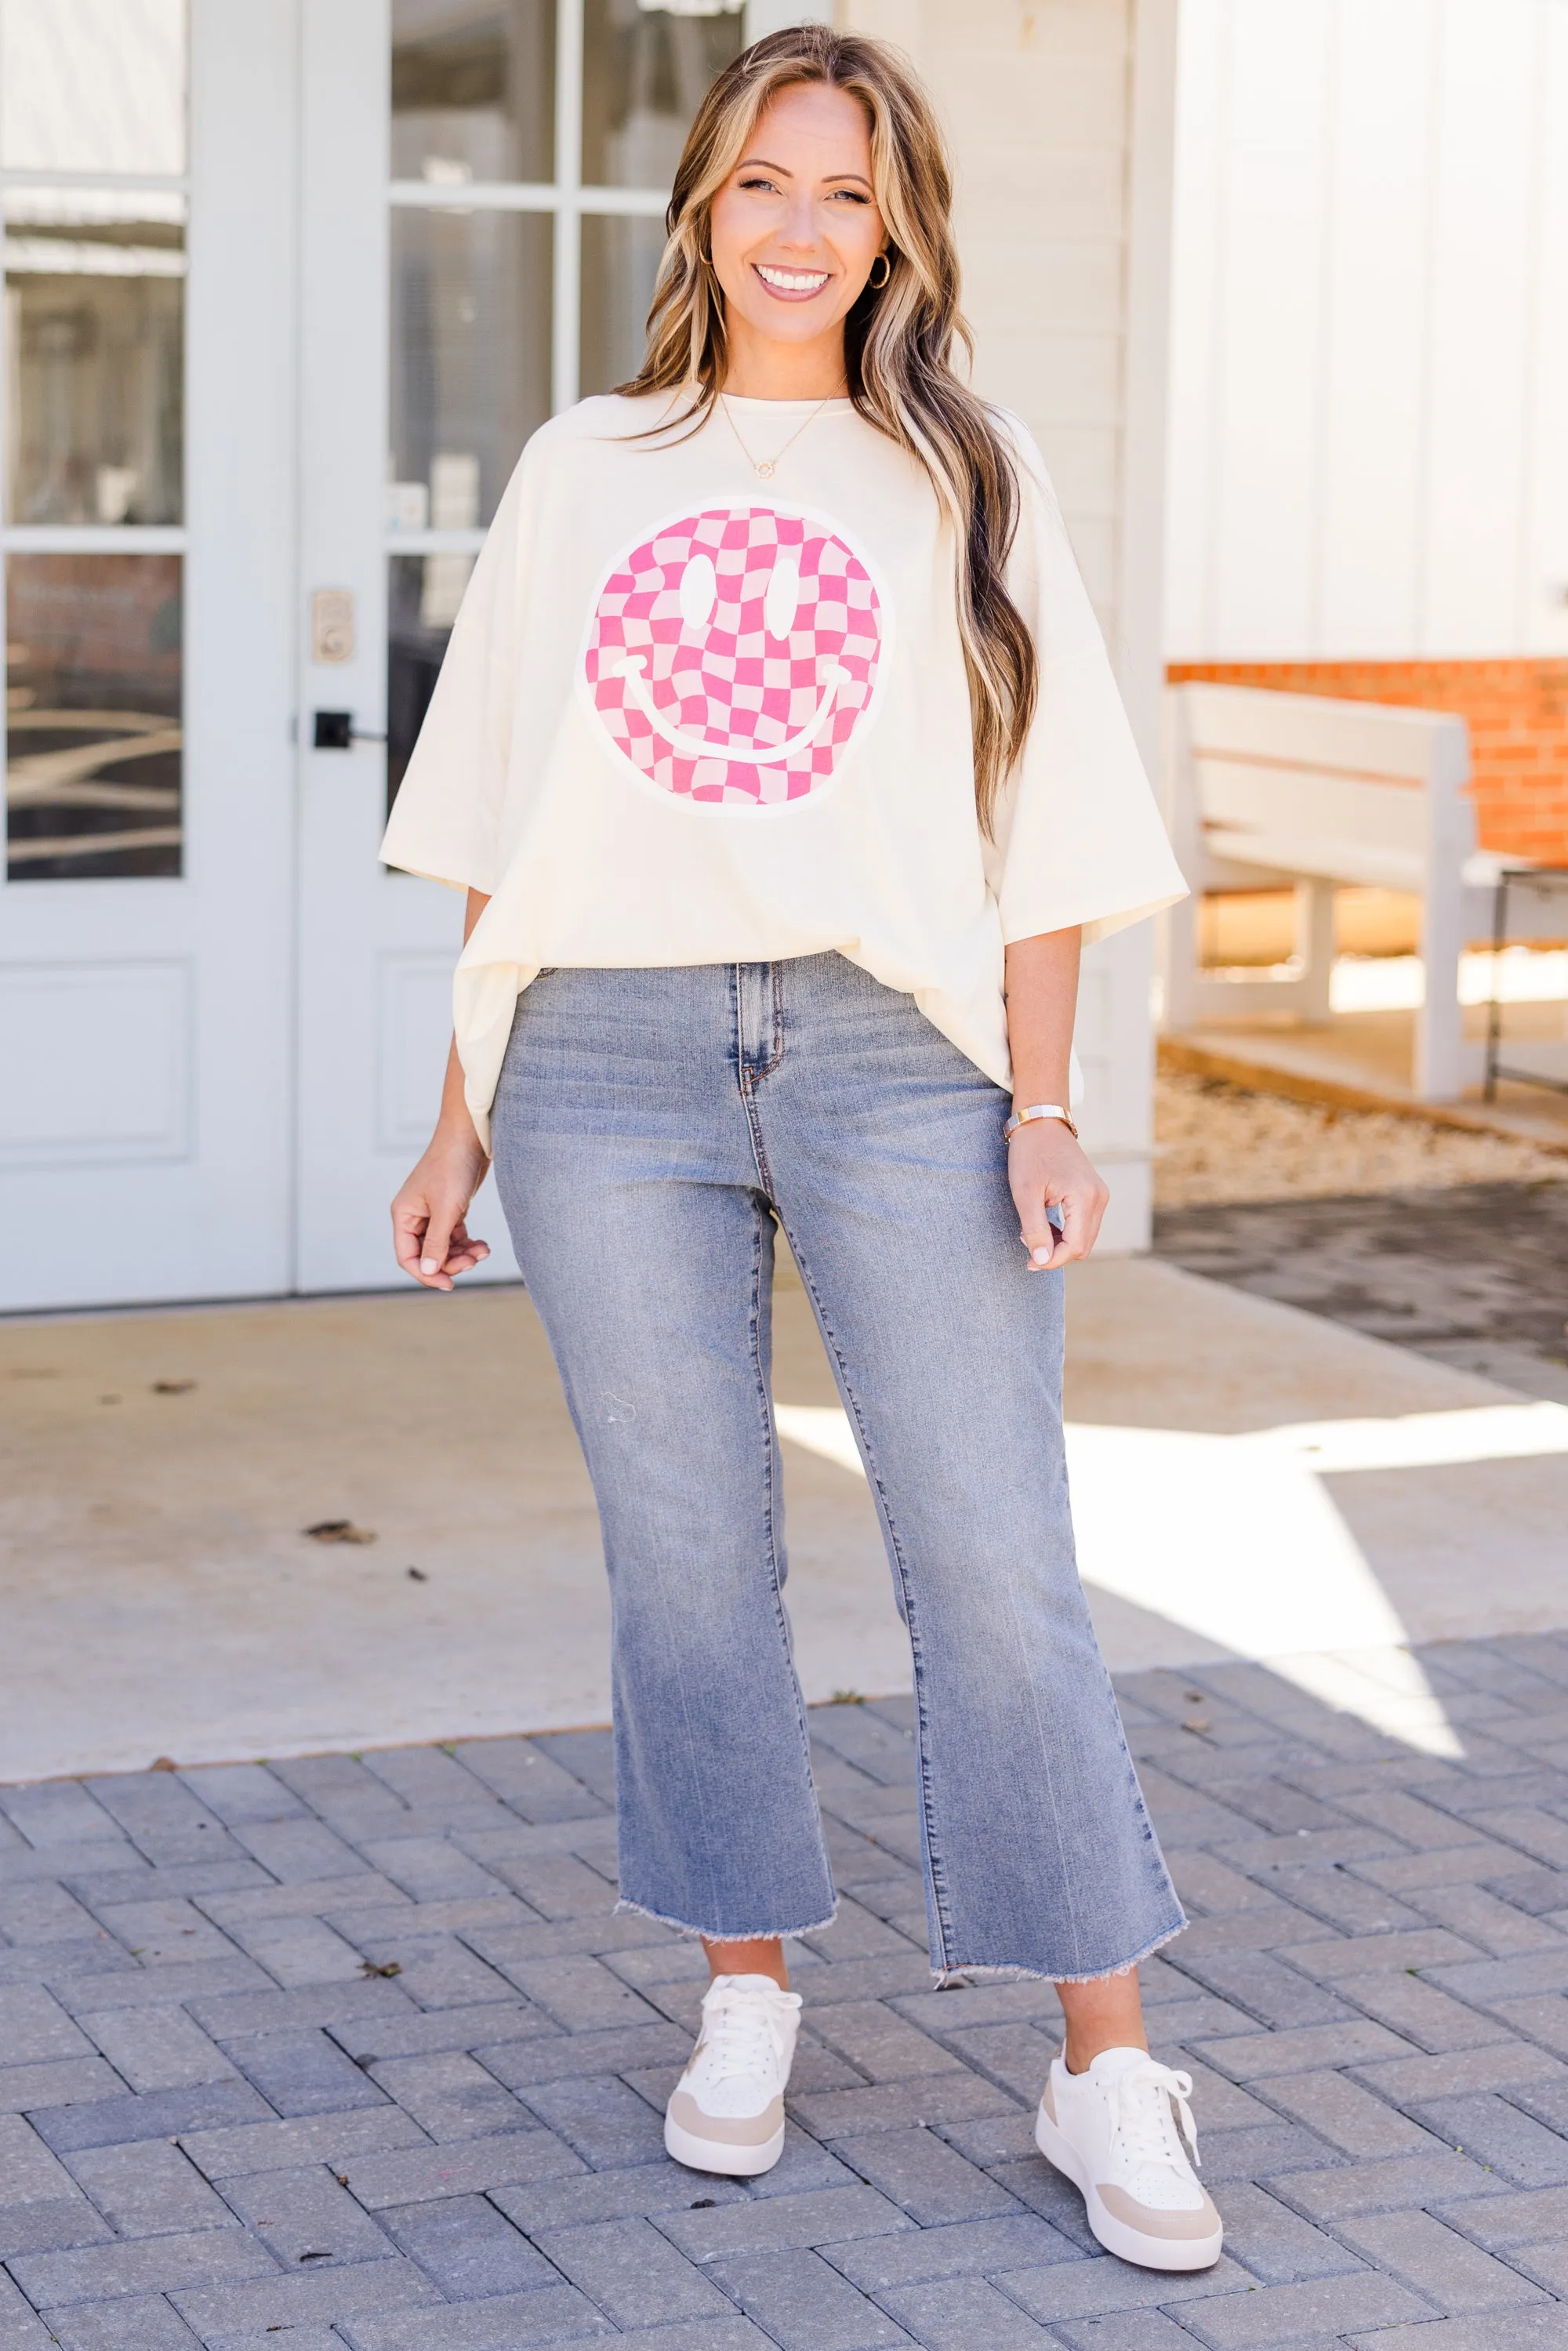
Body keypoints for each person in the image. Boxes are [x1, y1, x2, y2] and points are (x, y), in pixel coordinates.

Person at [383, 24, 1219, 2273]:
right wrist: (458, 1112)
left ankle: (1104, 2054)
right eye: (764, 180)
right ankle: (744, 1985)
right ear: (704, 204)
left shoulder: (973, 469)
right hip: (606, 1062)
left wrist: (1046, 1101)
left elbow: (1048, 827)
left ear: (898, 225)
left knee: (999, 1559)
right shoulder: (589, 464)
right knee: (685, 1564)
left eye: (845, 192)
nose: (798, 227)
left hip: (900, 1058)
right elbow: (505, 818)